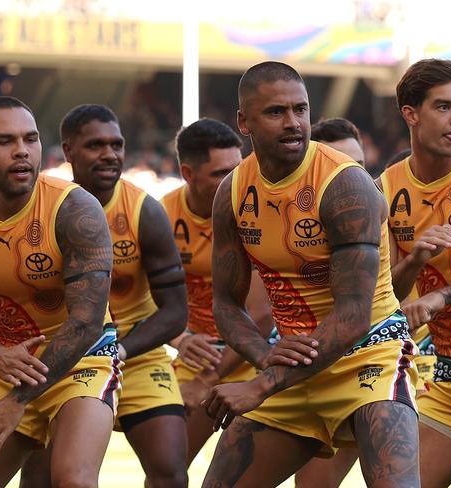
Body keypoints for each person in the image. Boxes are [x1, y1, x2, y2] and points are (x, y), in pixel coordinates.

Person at [201, 61, 420, 487]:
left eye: (300, 110)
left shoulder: (345, 185)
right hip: (296, 363)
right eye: (276, 112)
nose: (292, 123)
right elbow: (226, 303)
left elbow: (354, 316)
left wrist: (262, 384)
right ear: (243, 121)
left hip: (369, 356)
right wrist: (266, 357)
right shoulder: (232, 191)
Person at [0, 96, 120, 487]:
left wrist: (16, 403)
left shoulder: (75, 209)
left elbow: (85, 324)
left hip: (84, 360)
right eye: (5, 141)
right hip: (12, 364)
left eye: (30, 140)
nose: (22, 152)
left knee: (74, 480)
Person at [20, 104, 189, 488]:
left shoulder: (144, 210)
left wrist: (120, 351)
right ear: (68, 150)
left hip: (137, 356)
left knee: (171, 473)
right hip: (63, 359)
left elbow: (176, 312)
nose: (110, 154)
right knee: (41, 479)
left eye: (117, 144)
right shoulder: (40, 207)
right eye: (96, 145)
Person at [162, 118, 308, 467]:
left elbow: (260, 314)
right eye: (220, 173)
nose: (234, 179)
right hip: (196, 356)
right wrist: (181, 339)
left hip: (255, 354)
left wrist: (206, 381)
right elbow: (142, 299)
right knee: (167, 471)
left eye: (239, 167)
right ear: (188, 173)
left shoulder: (257, 210)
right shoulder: (162, 215)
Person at [379, 58, 451, 488]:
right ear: (410, 113)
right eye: (444, 107)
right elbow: (386, 292)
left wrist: (442, 296)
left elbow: (432, 299)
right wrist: (414, 259)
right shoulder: (383, 187)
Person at [293, 117, 369, 488]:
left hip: (375, 365)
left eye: (359, 167)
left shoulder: (382, 206)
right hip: (313, 365)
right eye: (341, 167)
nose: (353, 179)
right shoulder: (292, 224)